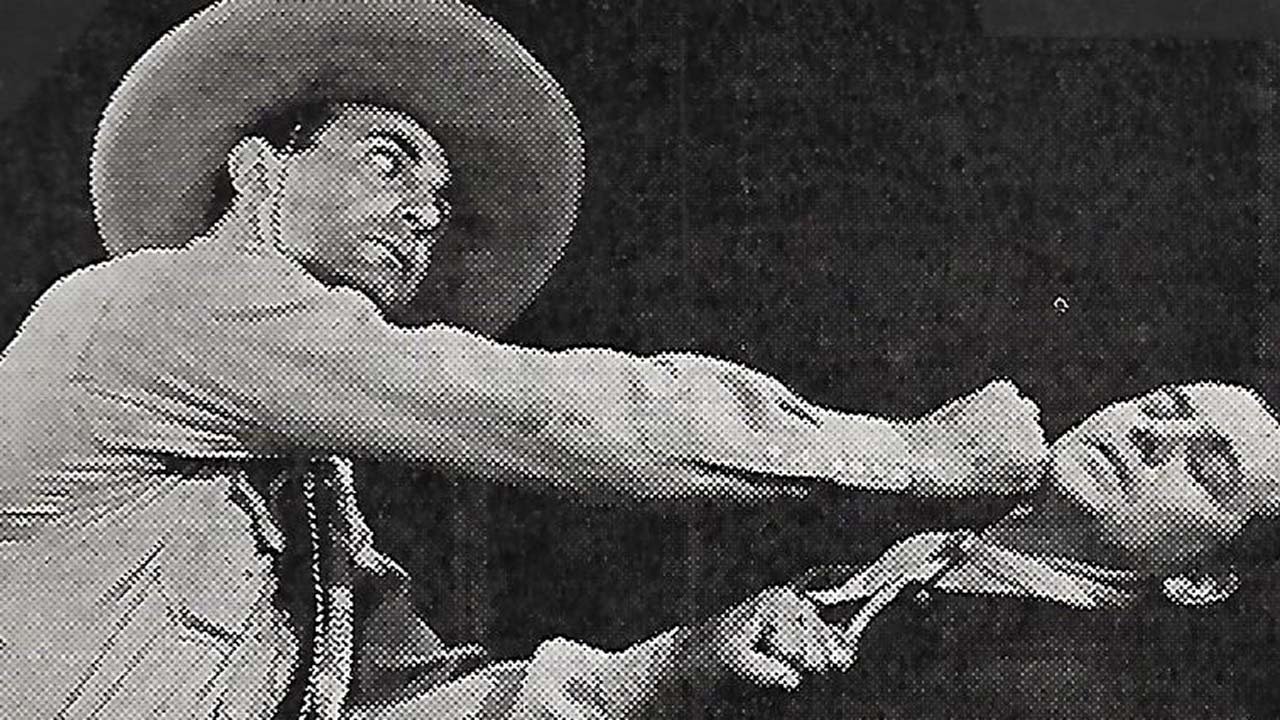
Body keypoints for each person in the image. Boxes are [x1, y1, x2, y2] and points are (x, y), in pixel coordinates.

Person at [0, 1, 1048, 718]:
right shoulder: (158, 306)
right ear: (257, 169)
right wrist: (908, 455)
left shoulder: (308, 488)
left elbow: (407, 702)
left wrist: (674, 668)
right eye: (388, 161)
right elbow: (543, 412)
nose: (425, 216)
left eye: (441, 201)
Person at [771, 382, 1280, 719]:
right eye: (1162, 409)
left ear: (1200, 580)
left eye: (1208, 467)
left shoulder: (1051, 693)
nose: (1150, 435)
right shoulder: (934, 509)